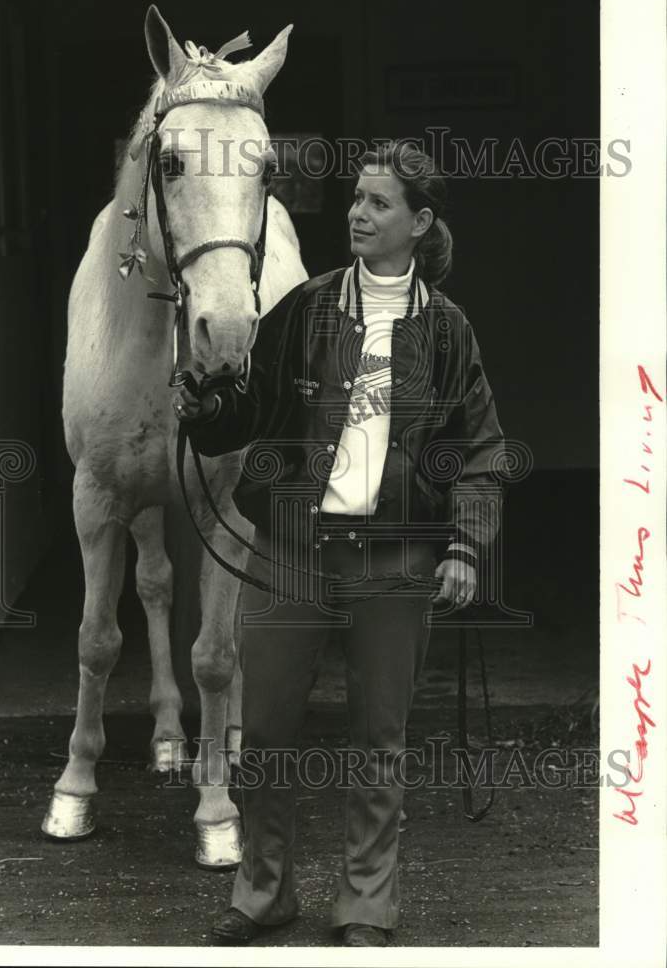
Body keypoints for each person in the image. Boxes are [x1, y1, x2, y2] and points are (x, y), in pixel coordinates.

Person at [173, 142, 505, 947]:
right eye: (355, 198)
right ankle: (262, 894)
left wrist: (462, 547)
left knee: (379, 737)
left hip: (396, 558)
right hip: (289, 548)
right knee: (271, 728)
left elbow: (481, 453)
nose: (357, 213)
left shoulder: (449, 330)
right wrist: (206, 410)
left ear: (419, 223)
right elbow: (247, 412)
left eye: (378, 203)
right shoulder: (308, 307)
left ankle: (365, 905)